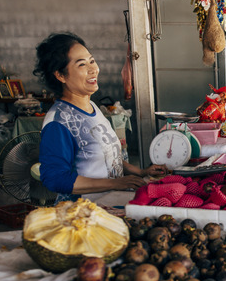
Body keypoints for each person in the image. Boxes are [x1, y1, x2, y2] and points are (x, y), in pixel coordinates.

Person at [34, 32, 167, 202]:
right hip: (83, 214)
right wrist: (114, 183)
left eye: (92, 61)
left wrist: (141, 172)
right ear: (60, 75)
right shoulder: (58, 122)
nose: (93, 69)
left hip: (110, 204)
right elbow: (54, 179)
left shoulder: (92, 107)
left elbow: (106, 157)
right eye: (82, 65)